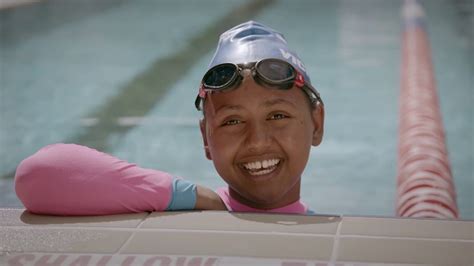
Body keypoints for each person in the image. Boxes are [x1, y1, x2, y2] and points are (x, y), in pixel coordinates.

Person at [14, 21, 324, 216]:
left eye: (277, 115)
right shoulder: (187, 207)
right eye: (232, 121)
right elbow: (37, 175)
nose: (257, 140)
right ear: (206, 138)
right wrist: (192, 196)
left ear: (317, 123)